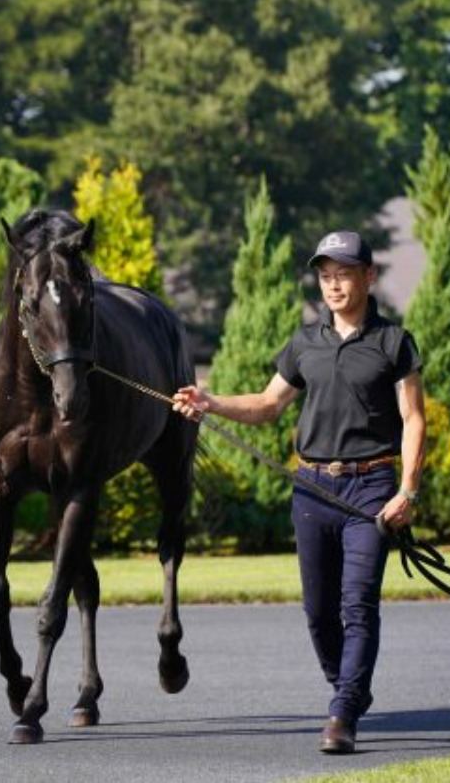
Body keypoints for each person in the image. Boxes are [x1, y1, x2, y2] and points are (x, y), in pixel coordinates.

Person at [171, 230, 426, 754]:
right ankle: (348, 687)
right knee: (317, 611)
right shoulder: (305, 343)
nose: (333, 285)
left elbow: (413, 417)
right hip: (311, 488)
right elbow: (267, 405)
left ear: (368, 277)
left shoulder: (394, 343)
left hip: (371, 489)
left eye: (344, 274)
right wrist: (210, 401)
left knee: (359, 605)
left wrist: (408, 490)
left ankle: (342, 712)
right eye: (326, 276)